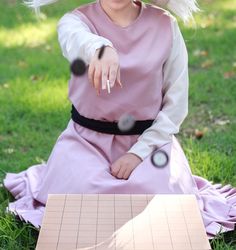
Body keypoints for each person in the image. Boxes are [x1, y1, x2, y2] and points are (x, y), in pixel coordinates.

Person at [3, 0, 236, 238]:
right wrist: (101, 48)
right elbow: (77, 42)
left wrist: (138, 153)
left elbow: (176, 106)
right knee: (84, 199)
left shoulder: (165, 25)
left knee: (159, 204)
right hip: (87, 144)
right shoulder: (74, 22)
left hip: (148, 144)